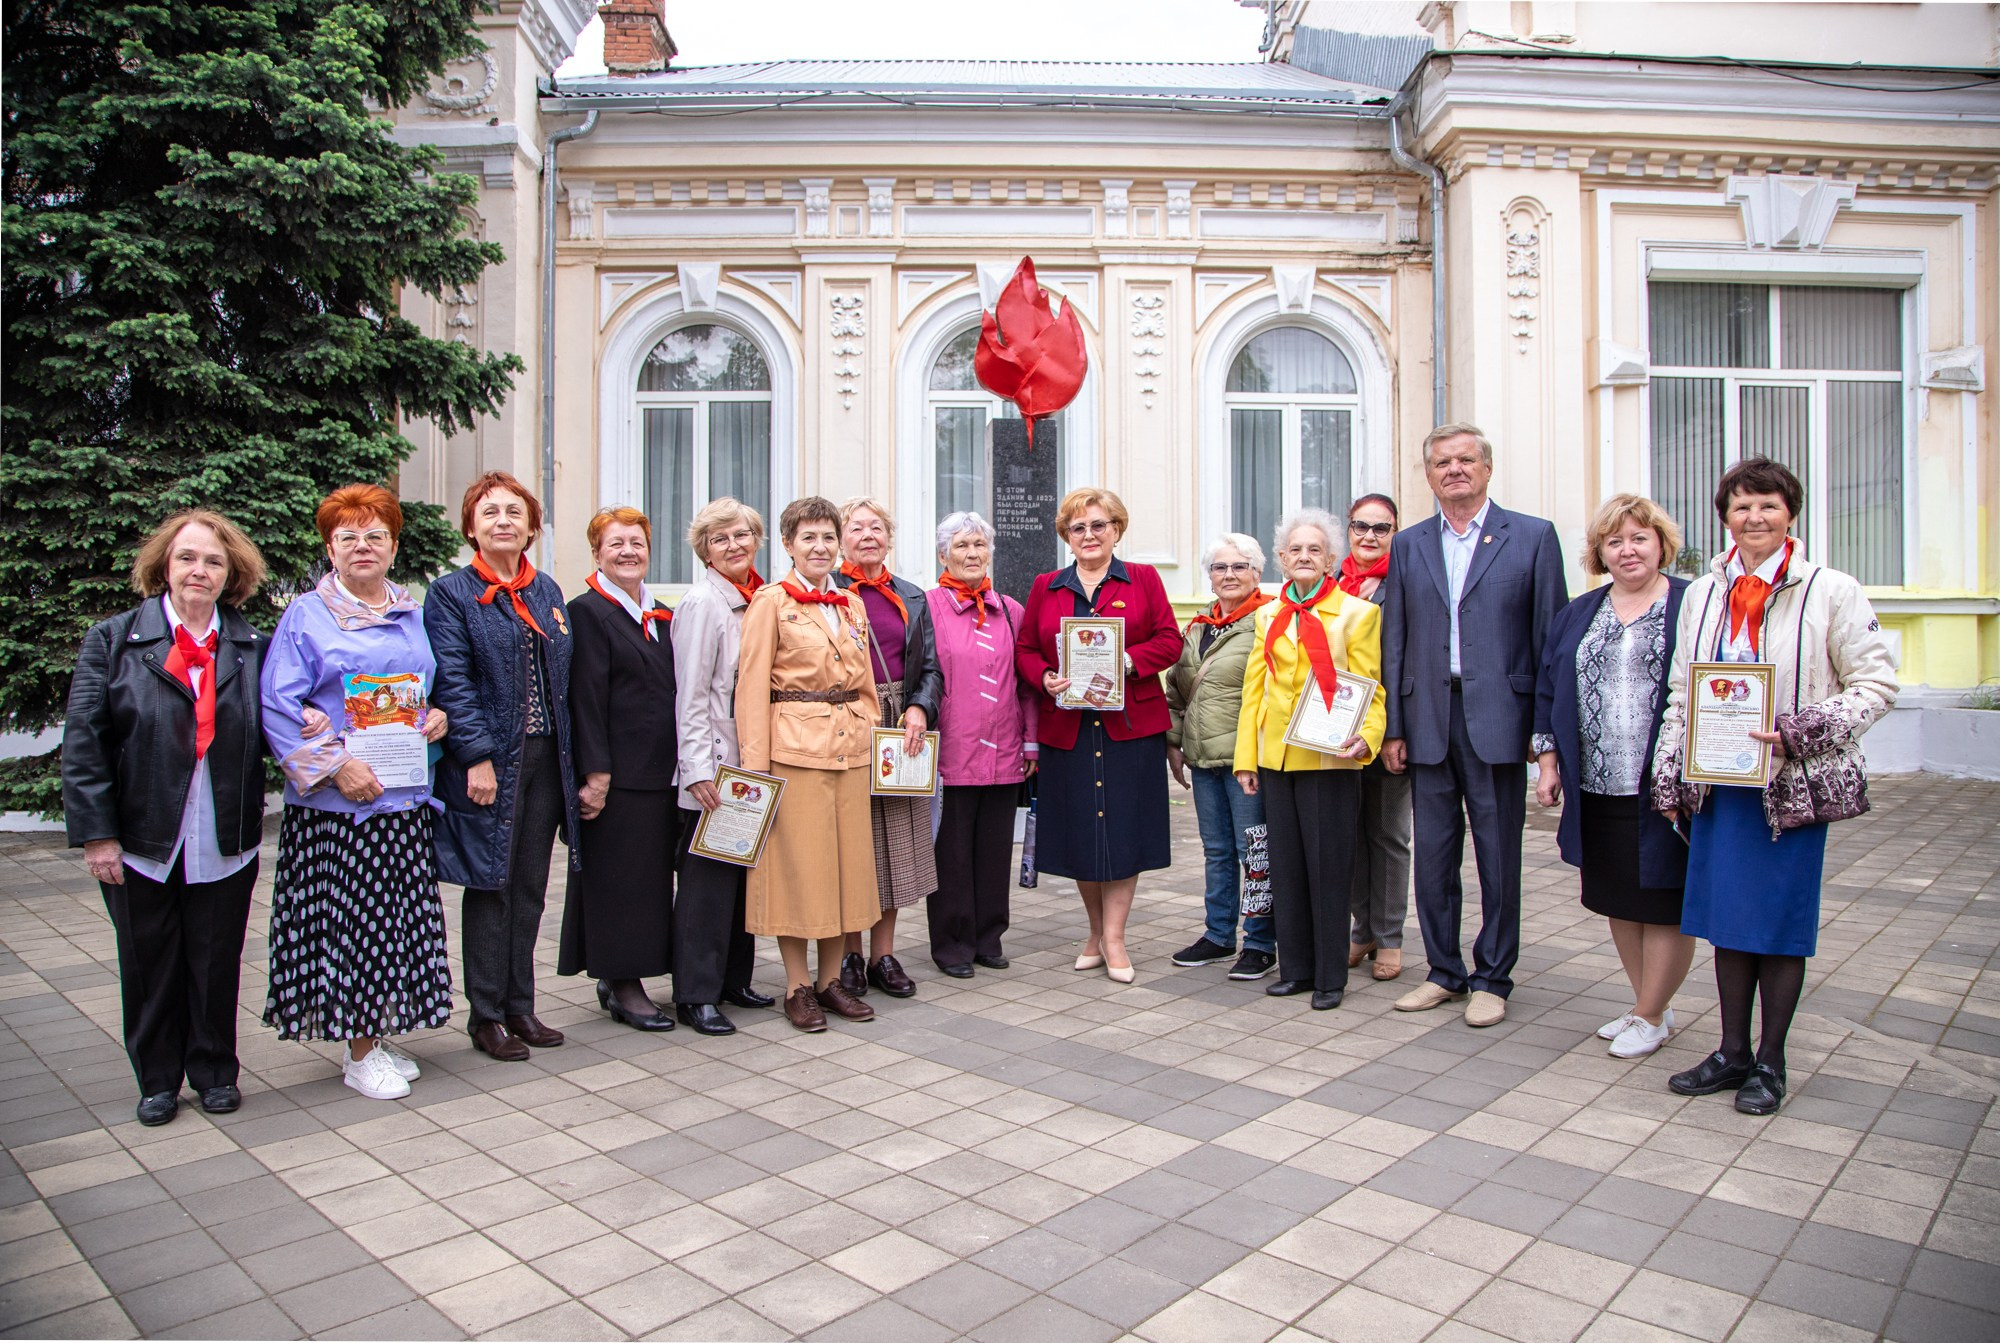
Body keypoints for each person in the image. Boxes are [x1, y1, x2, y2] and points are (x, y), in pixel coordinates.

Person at [1652, 458, 1897, 1116]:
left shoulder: (1832, 590)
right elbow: (1682, 690)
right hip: (1720, 788)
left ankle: (1772, 1060)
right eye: (1740, 507)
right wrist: (1669, 771)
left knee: (1780, 928)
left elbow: (1876, 685)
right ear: (1724, 517)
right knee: (1728, 923)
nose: (1754, 518)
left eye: (1767, 505)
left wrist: (1801, 731)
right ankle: (1732, 1052)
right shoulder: (1703, 594)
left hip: (1789, 788)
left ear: (1791, 512)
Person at [64, 510, 271, 1125]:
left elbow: (288, 714)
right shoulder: (114, 640)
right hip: (141, 837)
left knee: (215, 960)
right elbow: (85, 744)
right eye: (187, 558)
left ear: (231, 573)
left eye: (213, 560)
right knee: (149, 961)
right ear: (164, 565)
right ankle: (157, 1079)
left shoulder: (250, 645)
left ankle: (213, 1072)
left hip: (225, 834)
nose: (199, 570)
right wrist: (97, 835)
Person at [258, 486, 452, 1101]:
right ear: (330, 549)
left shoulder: (412, 610)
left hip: (400, 796)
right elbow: (277, 705)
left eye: (375, 536)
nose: (362, 547)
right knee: (352, 927)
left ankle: (375, 1033)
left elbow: (418, 688)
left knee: (393, 923)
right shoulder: (305, 617)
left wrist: (435, 718)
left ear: (394, 546)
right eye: (349, 538)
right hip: (341, 808)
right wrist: (337, 766)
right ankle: (359, 1052)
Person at [1380, 423, 1567, 1028]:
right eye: (1441, 463)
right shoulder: (1409, 545)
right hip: (1429, 720)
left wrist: (1547, 742)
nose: (1454, 470)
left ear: (1487, 468)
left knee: (1497, 855)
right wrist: (1394, 727)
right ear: (1428, 475)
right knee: (1432, 856)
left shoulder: (1533, 538)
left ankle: (1493, 976)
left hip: (1500, 721)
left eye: (1465, 460)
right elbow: (1396, 641)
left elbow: (1550, 642)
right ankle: (1443, 972)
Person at [427, 472, 580, 1062]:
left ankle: (522, 1005)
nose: (503, 521)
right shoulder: (451, 593)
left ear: (532, 527)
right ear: (471, 526)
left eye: (514, 512)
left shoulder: (546, 590)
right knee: (490, 884)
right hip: (492, 760)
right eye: (489, 512)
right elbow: (453, 680)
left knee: (531, 885)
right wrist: (477, 757)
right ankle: (486, 1015)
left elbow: (561, 681)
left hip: (546, 757)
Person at [1535, 495, 1693, 1059]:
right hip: (1597, 783)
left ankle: (1650, 1014)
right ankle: (1649, 1003)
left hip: (1666, 786)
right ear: (1600, 552)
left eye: (1639, 538)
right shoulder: (1580, 612)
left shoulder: (1692, 604)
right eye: (1614, 541)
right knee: (1618, 897)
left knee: (1665, 899)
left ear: (1661, 545)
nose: (1628, 550)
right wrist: (1548, 761)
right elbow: (1548, 690)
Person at [1015, 488, 1184, 983]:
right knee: (1083, 833)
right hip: (1067, 726)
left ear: (1117, 530)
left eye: (1099, 525)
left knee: (1123, 830)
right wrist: (1045, 676)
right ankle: (1094, 930)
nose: (1089, 535)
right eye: (1078, 527)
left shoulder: (1145, 579)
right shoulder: (1047, 585)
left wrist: (1126, 661)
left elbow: (1170, 639)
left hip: (1129, 727)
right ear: (1066, 535)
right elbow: (1026, 649)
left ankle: (1115, 937)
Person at [735, 496, 881, 1032]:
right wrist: (754, 768)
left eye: (827, 537)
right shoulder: (770, 603)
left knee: (842, 873)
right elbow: (750, 690)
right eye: (808, 538)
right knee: (799, 874)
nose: (819, 547)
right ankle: (796, 986)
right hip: (792, 754)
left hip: (849, 753)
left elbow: (864, 682)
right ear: (789, 545)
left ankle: (829, 982)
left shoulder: (850, 603)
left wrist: (866, 723)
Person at [1232, 511, 1386, 1011]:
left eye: (1314, 550)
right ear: (1280, 558)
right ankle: (1295, 969)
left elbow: (1371, 688)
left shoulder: (1357, 614)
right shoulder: (1266, 614)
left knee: (1329, 867)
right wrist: (1246, 759)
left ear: (1331, 560)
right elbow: (1254, 689)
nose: (1303, 557)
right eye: (1294, 550)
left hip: (1329, 758)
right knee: (1287, 867)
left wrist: (1367, 736)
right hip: (1277, 759)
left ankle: (1329, 977)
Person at [558, 507, 676, 1031]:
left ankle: (621, 973)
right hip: (617, 775)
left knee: (648, 880)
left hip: (660, 772)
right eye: (616, 543)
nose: (628, 551)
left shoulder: (660, 614)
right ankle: (624, 985)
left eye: (637, 542)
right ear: (597, 553)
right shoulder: (586, 611)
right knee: (619, 881)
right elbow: (585, 696)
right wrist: (596, 774)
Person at [671, 499, 775, 1035]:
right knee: (706, 885)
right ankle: (696, 993)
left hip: (750, 766)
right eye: (720, 539)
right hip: (714, 768)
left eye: (741, 535)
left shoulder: (756, 599)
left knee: (741, 878)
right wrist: (697, 770)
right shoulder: (702, 604)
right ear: (705, 550)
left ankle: (734, 979)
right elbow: (689, 696)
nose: (734, 545)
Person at [833, 497, 943, 996]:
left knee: (896, 842)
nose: (868, 535)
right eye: (856, 528)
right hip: (845, 721)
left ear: (890, 537)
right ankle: (848, 955)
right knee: (850, 840)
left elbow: (930, 668)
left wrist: (920, 707)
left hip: (901, 724)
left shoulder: (912, 596)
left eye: (877, 527)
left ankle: (884, 954)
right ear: (841, 538)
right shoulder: (824, 591)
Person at [926, 512, 1036, 977]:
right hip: (952, 748)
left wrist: (1031, 743)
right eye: (962, 546)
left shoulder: (1011, 609)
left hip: (1005, 750)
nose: (972, 554)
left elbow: (1027, 683)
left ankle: (989, 937)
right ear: (943, 555)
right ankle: (952, 944)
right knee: (950, 852)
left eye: (979, 545)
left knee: (994, 850)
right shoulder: (926, 605)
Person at [1165, 532, 1276, 981]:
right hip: (1203, 759)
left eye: (1239, 566)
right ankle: (1217, 934)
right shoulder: (1199, 627)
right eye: (1219, 567)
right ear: (1209, 576)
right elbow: (1176, 690)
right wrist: (1173, 743)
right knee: (1216, 851)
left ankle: (1261, 942)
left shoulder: (1271, 621)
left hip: (1246, 760)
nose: (1229, 575)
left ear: (1257, 573)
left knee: (1256, 852)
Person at [1341, 494, 1412, 982]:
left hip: (1385, 729)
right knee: (1349, 834)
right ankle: (1361, 928)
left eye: (1381, 528)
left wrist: (1398, 731)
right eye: (1360, 526)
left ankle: (1389, 937)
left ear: (1394, 533)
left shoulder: (1407, 583)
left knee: (1387, 834)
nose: (1369, 536)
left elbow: (1410, 661)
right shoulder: (1330, 583)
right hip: (1336, 728)